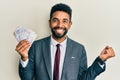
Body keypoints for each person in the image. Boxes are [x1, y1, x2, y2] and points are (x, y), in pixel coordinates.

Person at [15, 3, 115, 80]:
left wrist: (101, 60)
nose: (59, 25)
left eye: (64, 21)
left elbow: (84, 78)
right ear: (49, 23)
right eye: (55, 20)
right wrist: (24, 58)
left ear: (70, 24)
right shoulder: (36, 46)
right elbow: (26, 78)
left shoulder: (79, 49)